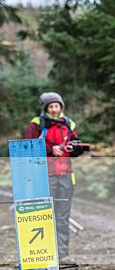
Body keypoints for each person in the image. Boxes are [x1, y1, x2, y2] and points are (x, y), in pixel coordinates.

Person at [24, 92, 85, 260]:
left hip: (66, 175)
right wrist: (51, 150)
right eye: (50, 106)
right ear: (45, 108)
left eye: (57, 106)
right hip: (44, 175)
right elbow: (27, 147)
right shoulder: (37, 123)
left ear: (61, 107)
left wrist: (76, 148)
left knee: (63, 217)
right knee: (44, 214)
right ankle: (45, 254)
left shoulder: (69, 123)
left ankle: (63, 255)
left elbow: (75, 145)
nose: (54, 109)